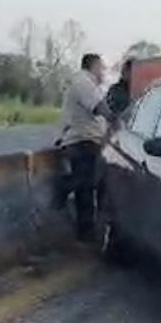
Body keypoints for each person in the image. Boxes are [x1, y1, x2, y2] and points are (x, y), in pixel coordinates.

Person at [55, 53, 113, 241]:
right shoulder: (83, 82)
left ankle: (85, 232)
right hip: (83, 141)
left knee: (86, 190)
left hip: (85, 141)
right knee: (87, 184)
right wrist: (117, 121)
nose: (103, 72)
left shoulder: (86, 83)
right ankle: (63, 187)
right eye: (102, 68)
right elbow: (99, 108)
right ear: (94, 66)